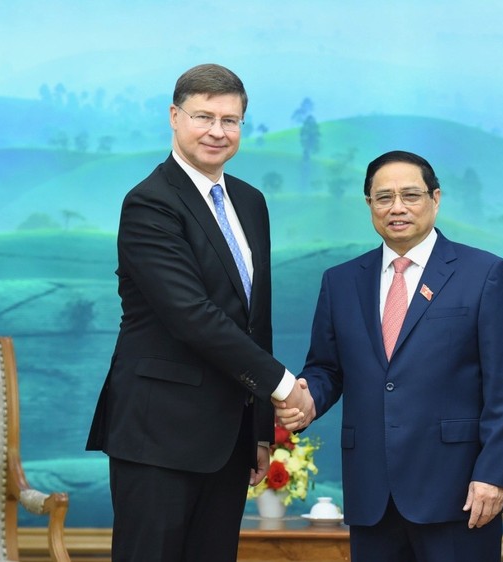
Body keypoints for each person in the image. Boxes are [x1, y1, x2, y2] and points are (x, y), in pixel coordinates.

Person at [86, 63, 314, 562]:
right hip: (157, 436)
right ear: (174, 116)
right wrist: (281, 387)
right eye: (203, 116)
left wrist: (258, 430)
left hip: (228, 442)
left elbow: (256, 320)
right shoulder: (150, 202)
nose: (217, 131)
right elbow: (191, 314)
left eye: (230, 120)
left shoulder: (250, 202)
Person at [277, 150, 503, 562]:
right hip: (372, 493)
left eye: (410, 195)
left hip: (459, 492)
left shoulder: (484, 274)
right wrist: (307, 398)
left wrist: (493, 475)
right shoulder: (341, 282)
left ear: (436, 198)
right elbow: (327, 368)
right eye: (383, 197)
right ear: (369, 205)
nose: (397, 208)